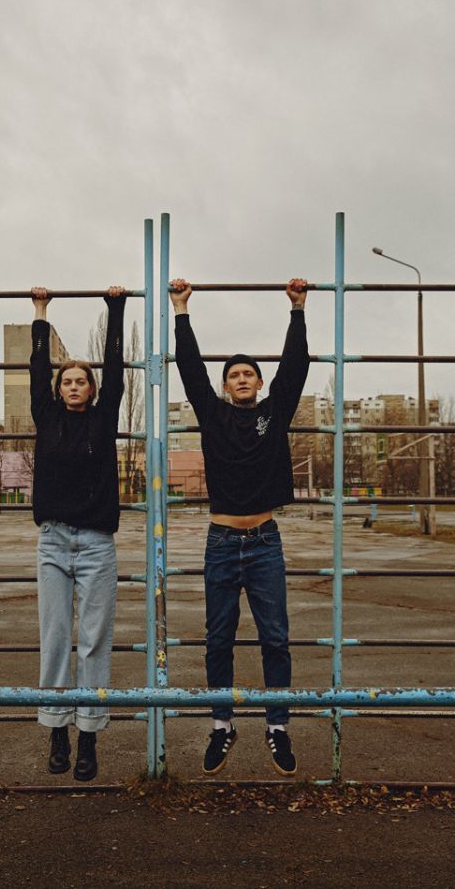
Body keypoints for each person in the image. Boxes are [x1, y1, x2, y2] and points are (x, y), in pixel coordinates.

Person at [170, 277, 310, 777]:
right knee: (218, 639)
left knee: (275, 637)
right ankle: (222, 724)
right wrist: (181, 311)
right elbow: (189, 370)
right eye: (235, 375)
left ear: (259, 382)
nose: (244, 379)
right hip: (222, 541)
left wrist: (297, 310)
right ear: (226, 386)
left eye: (250, 373)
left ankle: (277, 726)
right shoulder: (213, 417)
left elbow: (295, 369)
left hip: (266, 541)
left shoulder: (276, 412)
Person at [30, 284, 126, 781]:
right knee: (56, 636)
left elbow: (117, 371)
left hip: (95, 545)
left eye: (80, 381)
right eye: (66, 380)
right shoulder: (44, 419)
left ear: (90, 390)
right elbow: (35, 368)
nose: (72, 386)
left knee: (92, 640)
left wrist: (115, 309)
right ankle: (57, 732)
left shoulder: (105, 418)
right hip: (52, 540)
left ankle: (88, 737)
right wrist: (41, 313)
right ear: (58, 388)